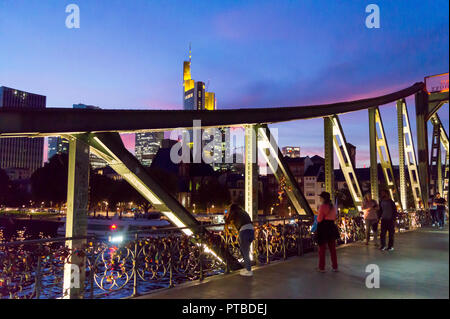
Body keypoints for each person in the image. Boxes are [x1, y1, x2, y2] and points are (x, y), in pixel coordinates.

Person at [224, 204, 255, 276]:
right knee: (244, 250)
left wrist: (225, 216)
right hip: (251, 230)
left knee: (245, 251)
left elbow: (228, 221)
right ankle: (247, 268)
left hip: (244, 231)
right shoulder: (243, 212)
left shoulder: (234, 212)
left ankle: (249, 271)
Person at [316, 192, 339, 272]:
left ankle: (321, 267)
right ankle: (335, 266)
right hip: (331, 227)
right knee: (332, 249)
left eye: (321, 197)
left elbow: (319, 219)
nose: (319, 198)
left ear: (323, 199)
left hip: (323, 228)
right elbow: (334, 217)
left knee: (322, 249)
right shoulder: (332, 207)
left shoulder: (322, 207)